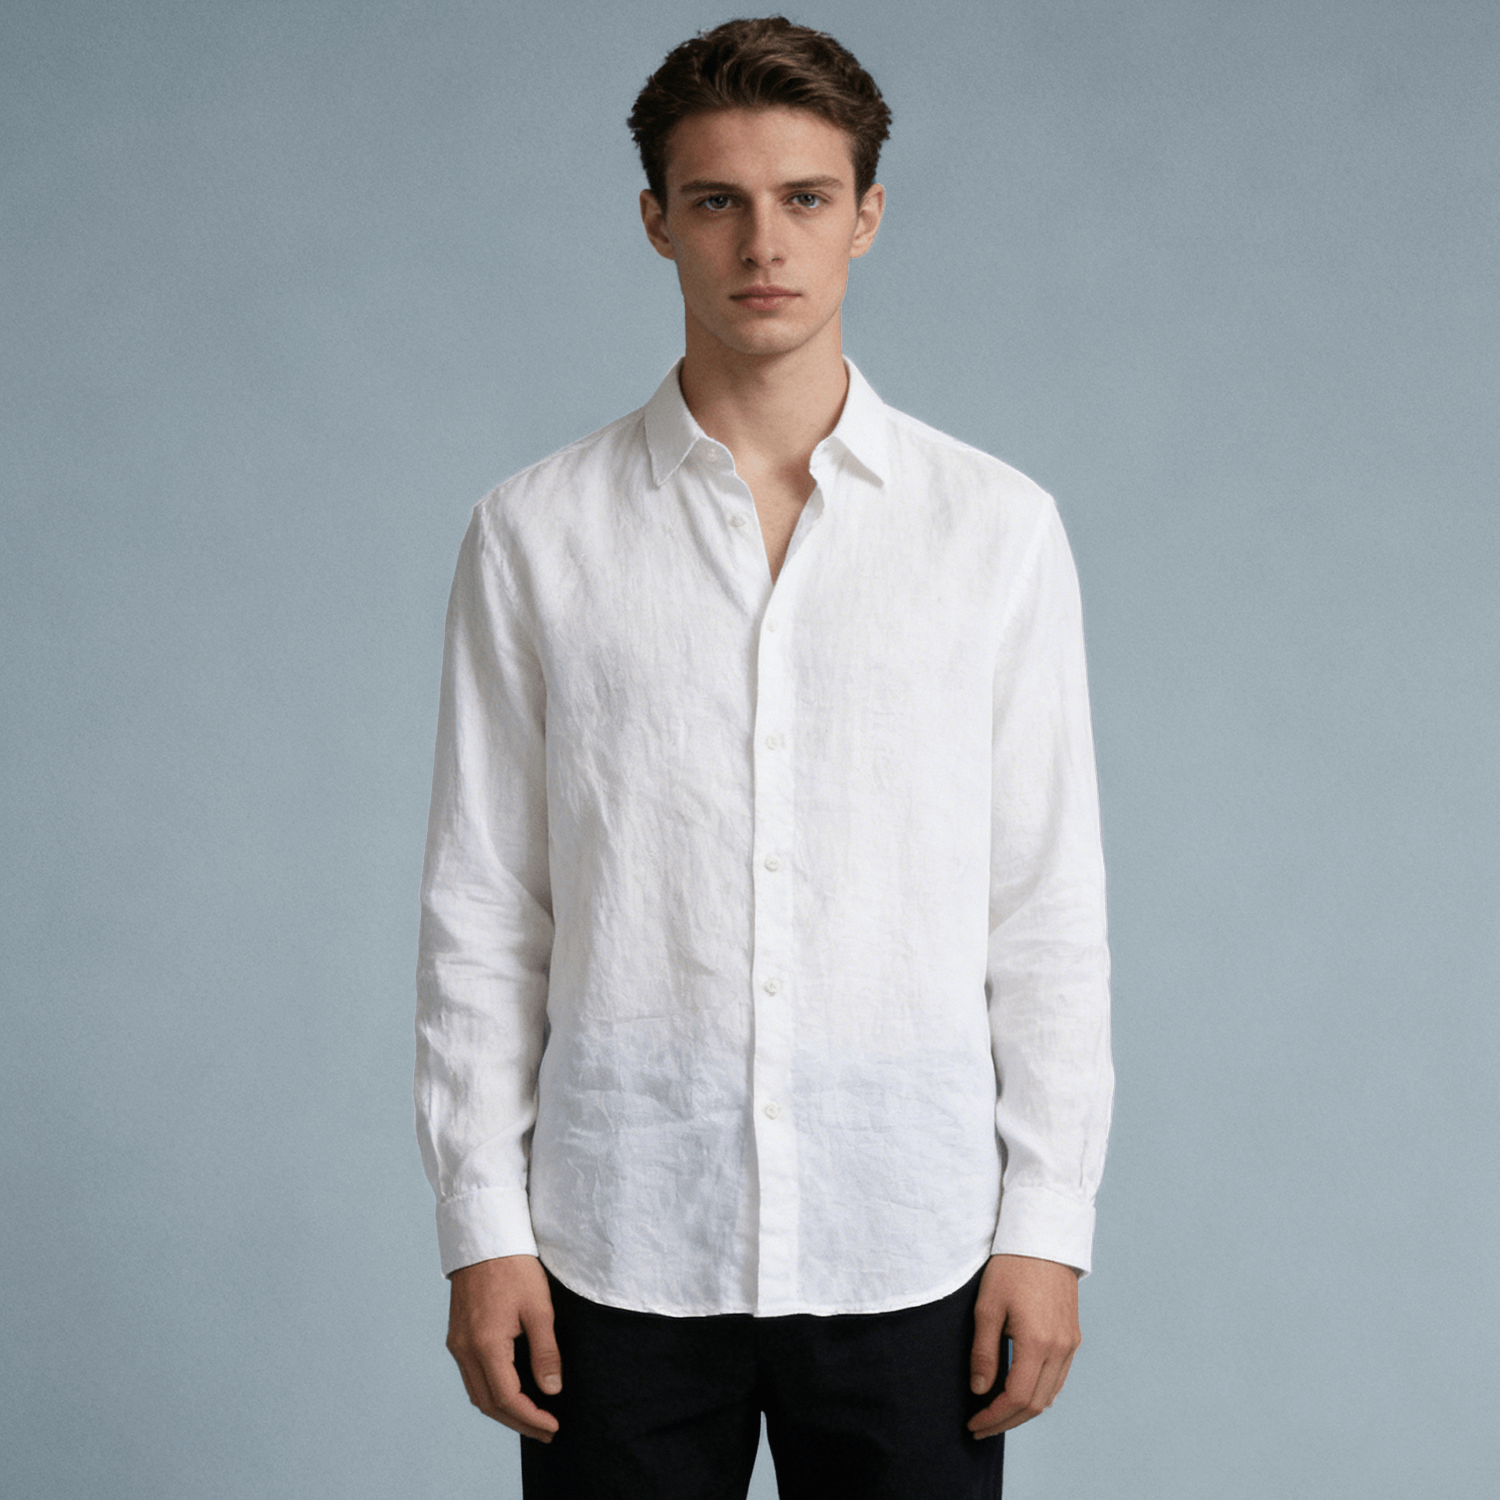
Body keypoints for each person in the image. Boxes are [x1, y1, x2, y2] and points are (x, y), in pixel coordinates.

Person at [414, 16, 1113, 1498]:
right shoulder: (534, 535)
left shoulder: (995, 531)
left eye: (805, 197)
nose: (762, 243)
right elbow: (484, 907)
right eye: (717, 200)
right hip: (618, 1244)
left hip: (913, 1239)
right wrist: (482, 1228)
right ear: (655, 220)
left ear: (868, 214)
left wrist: (1049, 1223)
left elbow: (1044, 902)